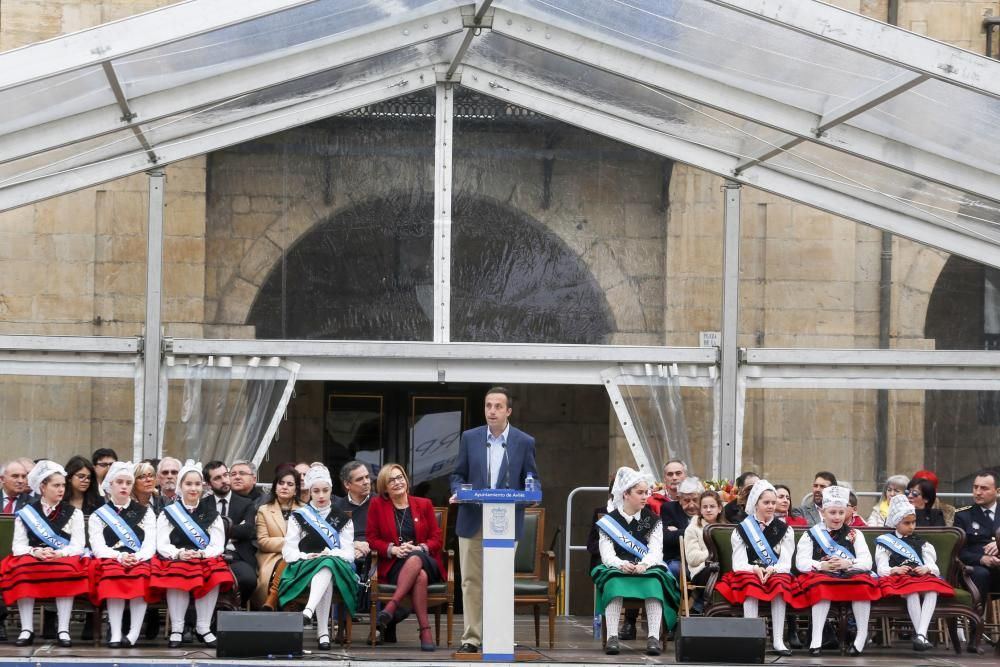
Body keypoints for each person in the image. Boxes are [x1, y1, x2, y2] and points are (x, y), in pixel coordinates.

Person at [449, 386, 538, 655]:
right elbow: (457, 474)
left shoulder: (524, 442)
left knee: (498, 580)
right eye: (488, 406)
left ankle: (497, 636)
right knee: (471, 581)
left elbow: (532, 478)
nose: (492, 411)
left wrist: (531, 494)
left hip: (505, 522)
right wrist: (459, 491)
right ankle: (472, 638)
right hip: (473, 519)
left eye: (498, 406)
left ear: (508, 411)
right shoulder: (470, 437)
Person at [592, 466, 679, 656]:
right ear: (626, 494)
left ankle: (653, 637)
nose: (645, 497)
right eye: (640, 492)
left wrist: (643, 565)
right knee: (614, 583)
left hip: (645, 567)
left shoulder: (653, 520)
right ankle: (612, 638)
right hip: (617, 567)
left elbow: (657, 551)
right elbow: (606, 554)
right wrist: (620, 564)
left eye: (646, 492)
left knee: (654, 583)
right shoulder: (609, 522)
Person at [1, 460, 88, 647]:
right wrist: (36, 551)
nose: (61, 489)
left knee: (67, 570)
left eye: (63, 485)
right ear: (43, 487)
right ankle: (26, 629)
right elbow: (18, 547)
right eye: (56, 485)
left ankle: (63, 629)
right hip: (35, 558)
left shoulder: (74, 514)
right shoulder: (27, 513)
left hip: (61, 558)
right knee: (22, 569)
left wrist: (60, 554)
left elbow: (78, 546)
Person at [152, 459, 234, 648]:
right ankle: (177, 629)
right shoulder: (169, 513)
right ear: (181, 486)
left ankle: (203, 627)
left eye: (197, 484)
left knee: (215, 572)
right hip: (176, 559)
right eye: (188, 484)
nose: (193, 488)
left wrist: (202, 555)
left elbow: (217, 545)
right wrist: (179, 554)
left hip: (203, 559)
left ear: (203, 486)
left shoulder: (211, 514)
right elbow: (162, 543)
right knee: (177, 574)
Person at [715, 480, 800, 656]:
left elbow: (785, 563)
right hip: (749, 572)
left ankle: (778, 640)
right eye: (766, 502)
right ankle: (750, 638)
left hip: (775, 572)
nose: (771, 506)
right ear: (756, 503)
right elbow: (738, 564)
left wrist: (772, 570)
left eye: (773, 502)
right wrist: (755, 569)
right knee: (750, 582)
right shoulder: (742, 530)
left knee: (780, 582)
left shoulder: (785, 530)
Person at [279, 463, 357, 651]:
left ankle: (309, 611)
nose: (321, 495)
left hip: (336, 567)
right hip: (303, 566)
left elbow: (349, 554)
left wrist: (330, 553)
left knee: (328, 563)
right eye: (316, 491)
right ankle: (323, 633)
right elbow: (288, 552)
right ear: (310, 491)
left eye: (325, 490)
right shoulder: (298, 516)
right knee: (326, 568)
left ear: (331, 490)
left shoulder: (344, 519)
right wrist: (306, 556)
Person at [794, 485, 880, 656]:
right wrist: (821, 565)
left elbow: (867, 562)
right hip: (823, 577)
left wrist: (848, 563)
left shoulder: (855, 534)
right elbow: (801, 562)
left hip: (849, 576)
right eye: (832, 512)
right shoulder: (811, 534)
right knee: (820, 586)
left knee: (863, 585)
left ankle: (860, 637)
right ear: (823, 512)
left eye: (841, 512)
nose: (837, 517)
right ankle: (816, 639)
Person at [368, 463, 443, 652]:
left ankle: (392, 605)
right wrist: (393, 550)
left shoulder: (423, 504)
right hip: (396, 565)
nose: (397, 482)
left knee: (416, 557)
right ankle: (425, 630)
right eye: (391, 480)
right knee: (420, 577)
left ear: (406, 480)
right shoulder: (377, 505)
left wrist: (421, 548)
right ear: (384, 487)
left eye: (400, 477)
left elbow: (436, 538)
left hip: (426, 561)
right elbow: (371, 538)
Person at [88, 461, 158, 648]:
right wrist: (119, 557)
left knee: (142, 575)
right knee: (112, 576)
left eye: (128, 482)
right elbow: (98, 547)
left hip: (139, 560)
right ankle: (116, 632)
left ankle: (134, 633)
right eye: (119, 482)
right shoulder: (98, 515)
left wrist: (137, 557)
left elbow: (150, 544)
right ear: (110, 485)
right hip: (112, 560)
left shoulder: (146, 513)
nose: (124, 486)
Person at [874, 494, 953, 651]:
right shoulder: (885, 542)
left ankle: (921, 635)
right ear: (896, 522)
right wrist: (894, 570)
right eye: (907, 523)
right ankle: (921, 636)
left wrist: (926, 568)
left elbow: (933, 567)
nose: (911, 526)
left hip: (921, 578)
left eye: (913, 522)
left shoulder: (922, 543)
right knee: (913, 592)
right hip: (900, 579)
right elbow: (881, 568)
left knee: (932, 590)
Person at [953, 469, 1000, 648]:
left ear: (997, 491)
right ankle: (975, 636)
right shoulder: (963, 515)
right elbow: (958, 551)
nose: (978, 492)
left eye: (984, 488)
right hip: (975, 570)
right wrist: (981, 559)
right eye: (975, 487)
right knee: (980, 574)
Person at [203, 461, 257, 604]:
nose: (224, 480)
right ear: (209, 484)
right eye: (217, 478)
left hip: (237, 556)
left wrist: (216, 529)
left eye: (225, 475)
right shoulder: (203, 505)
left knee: (248, 579)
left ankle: (232, 608)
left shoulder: (246, 503)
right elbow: (201, 532)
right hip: (209, 557)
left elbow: (248, 530)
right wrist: (234, 529)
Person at [254, 463, 303, 610]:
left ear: (295, 490)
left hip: (298, 556)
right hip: (271, 556)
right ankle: (287, 607)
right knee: (286, 562)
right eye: (281, 483)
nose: (284, 487)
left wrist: (292, 547)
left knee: (291, 561)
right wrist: (290, 542)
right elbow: (263, 542)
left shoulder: (305, 510)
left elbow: (307, 541)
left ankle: (273, 600)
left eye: (290, 484)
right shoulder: (264, 510)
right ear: (275, 487)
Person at [660, 477, 703, 579]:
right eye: (687, 501)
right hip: (679, 559)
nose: (691, 505)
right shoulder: (669, 508)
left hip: (703, 558)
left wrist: (679, 532)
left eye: (695, 500)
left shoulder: (707, 508)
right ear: (679, 499)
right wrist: (699, 533)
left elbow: (712, 533)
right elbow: (667, 537)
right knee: (675, 569)